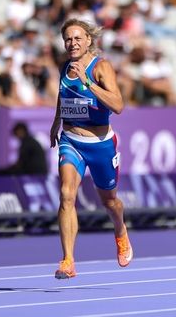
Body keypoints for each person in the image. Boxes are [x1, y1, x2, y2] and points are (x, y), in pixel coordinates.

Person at [49, 18, 132, 279]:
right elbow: (64, 96)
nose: (72, 43)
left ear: (88, 41)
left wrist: (87, 82)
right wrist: (56, 123)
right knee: (66, 195)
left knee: (110, 203)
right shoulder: (65, 67)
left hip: (100, 145)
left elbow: (118, 105)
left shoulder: (101, 67)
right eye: (67, 39)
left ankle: (120, 230)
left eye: (77, 38)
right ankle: (68, 261)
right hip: (71, 140)